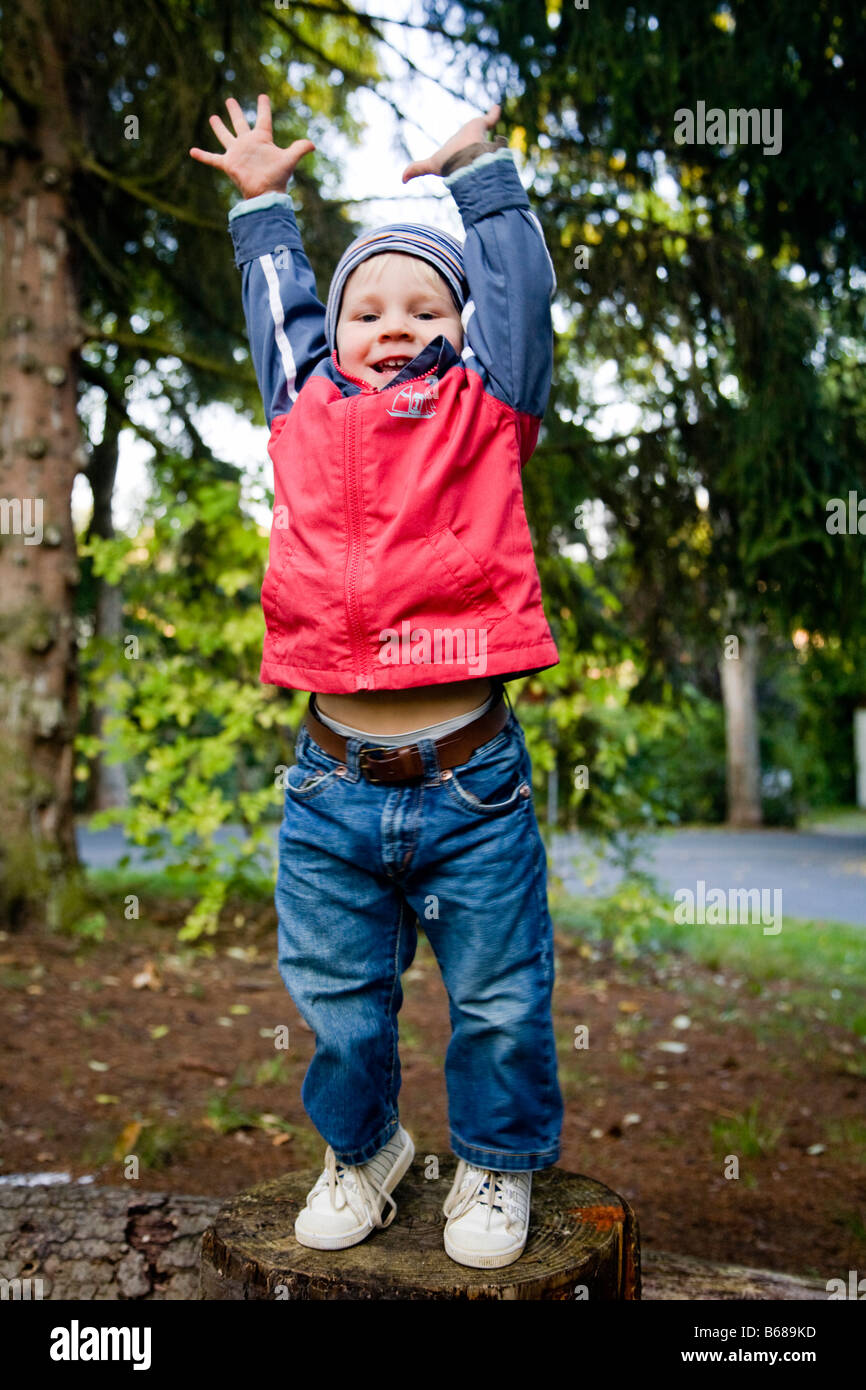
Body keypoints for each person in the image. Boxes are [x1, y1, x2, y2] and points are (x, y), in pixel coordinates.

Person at [190, 94, 563, 1270]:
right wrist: (260, 205)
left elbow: (521, 304)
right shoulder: (303, 409)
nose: (390, 325)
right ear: (335, 330)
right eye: (366, 308)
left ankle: (495, 1169)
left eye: (423, 305)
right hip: (328, 786)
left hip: (471, 788)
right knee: (341, 1010)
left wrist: (481, 177)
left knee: (499, 1005)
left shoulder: (484, 413)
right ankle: (364, 1152)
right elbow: (277, 309)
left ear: (460, 326)